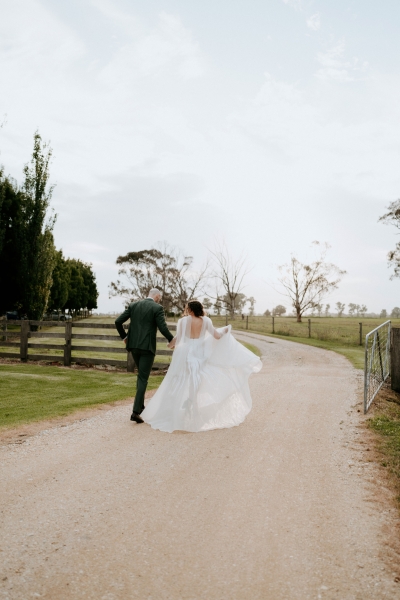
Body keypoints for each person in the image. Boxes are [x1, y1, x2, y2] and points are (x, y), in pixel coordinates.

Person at [141, 300, 262, 433]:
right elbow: (216, 336)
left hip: (185, 352)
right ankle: (192, 402)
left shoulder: (183, 321)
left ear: (190, 310)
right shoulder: (206, 321)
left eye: (188, 308)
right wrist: (225, 330)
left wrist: (170, 344)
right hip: (200, 353)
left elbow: (179, 338)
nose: (187, 310)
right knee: (196, 377)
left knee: (182, 378)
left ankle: (186, 404)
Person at [115, 288, 174, 423]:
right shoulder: (157, 308)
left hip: (133, 346)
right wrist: (171, 339)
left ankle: (141, 407)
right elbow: (162, 327)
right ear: (157, 296)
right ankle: (135, 412)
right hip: (147, 347)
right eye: (159, 297)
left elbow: (118, 322)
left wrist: (125, 337)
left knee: (141, 376)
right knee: (143, 378)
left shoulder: (133, 305)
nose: (159, 299)